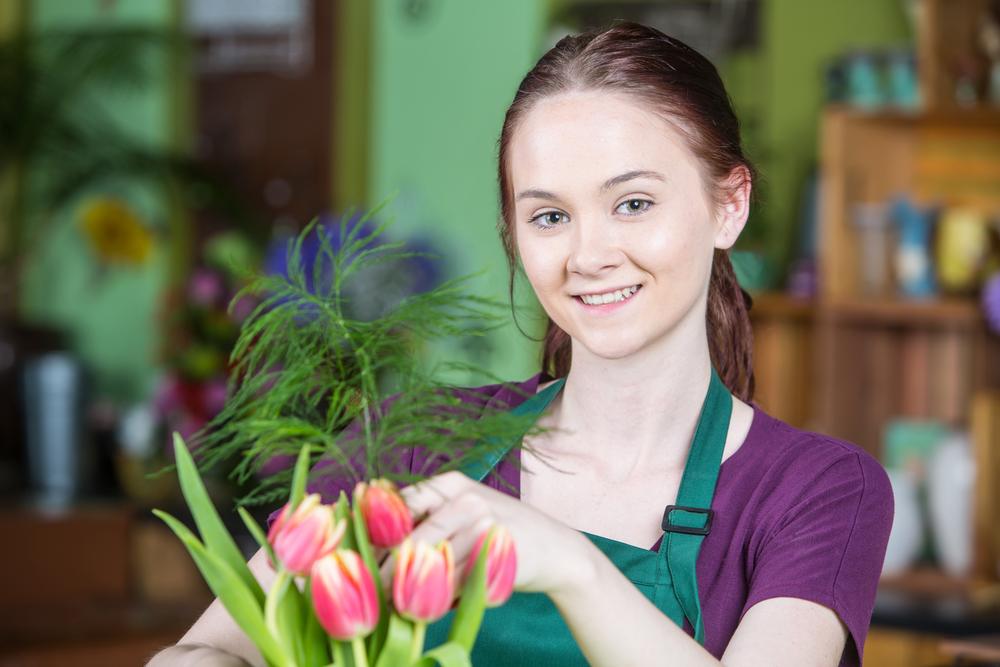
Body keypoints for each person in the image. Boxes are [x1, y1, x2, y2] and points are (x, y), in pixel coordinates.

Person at [148, 21, 893, 667]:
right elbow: (203, 646)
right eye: (548, 217)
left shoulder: (818, 490)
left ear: (728, 206)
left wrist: (568, 564)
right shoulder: (411, 446)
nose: (588, 254)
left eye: (633, 203)